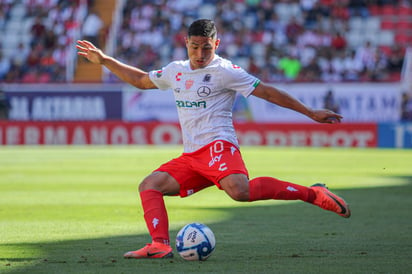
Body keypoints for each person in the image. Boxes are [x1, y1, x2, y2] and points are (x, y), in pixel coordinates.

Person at [76, 19, 350, 259]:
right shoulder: (175, 71)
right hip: (192, 156)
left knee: (239, 191)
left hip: (218, 146)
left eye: (206, 47)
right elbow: (141, 80)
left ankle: (313, 194)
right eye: (194, 47)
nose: (200, 53)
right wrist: (105, 60)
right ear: (186, 43)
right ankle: (159, 244)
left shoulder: (226, 71)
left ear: (216, 44)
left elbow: (266, 92)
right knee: (149, 186)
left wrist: (310, 112)